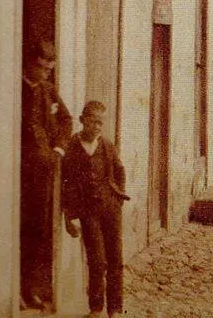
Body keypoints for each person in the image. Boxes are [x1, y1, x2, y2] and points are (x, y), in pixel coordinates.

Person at [62, 101, 130, 318]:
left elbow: (120, 171)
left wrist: (118, 198)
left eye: (100, 122)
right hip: (87, 212)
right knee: (97, 260)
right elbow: (67, 184)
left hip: (110, 209)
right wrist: (69, 217)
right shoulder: (72, 147)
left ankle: (116, 309)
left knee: (115, 259)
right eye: (92, 121)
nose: (97, 127)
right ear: (82, 121)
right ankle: (96, 307)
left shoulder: (107, 146)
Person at [21, 40, 73, 311]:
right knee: (20, 227)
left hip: (43, 175)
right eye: (41, 67)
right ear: (30, 62)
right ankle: (20, 287)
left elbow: (66, 120)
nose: (44, 74)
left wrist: (59, 149)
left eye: (48, 69)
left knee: (39, 229)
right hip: (19, 174)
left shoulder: (48, 91)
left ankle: (33, 288)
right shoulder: (15, 90)